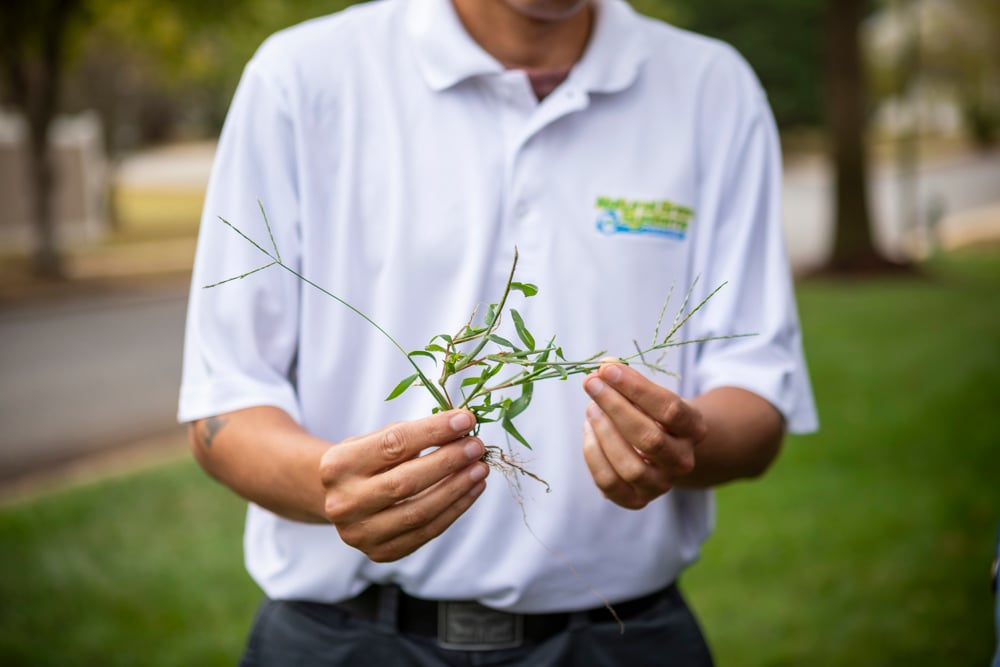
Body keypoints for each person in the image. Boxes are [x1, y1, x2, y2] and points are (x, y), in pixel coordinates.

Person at [178, 0, 819, 664]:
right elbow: (222, 404)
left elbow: (757, 398)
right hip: (344, 638)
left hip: (621, 640)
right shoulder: (300, 78)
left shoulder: (712, 88)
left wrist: (681, 440)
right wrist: (328, 483)